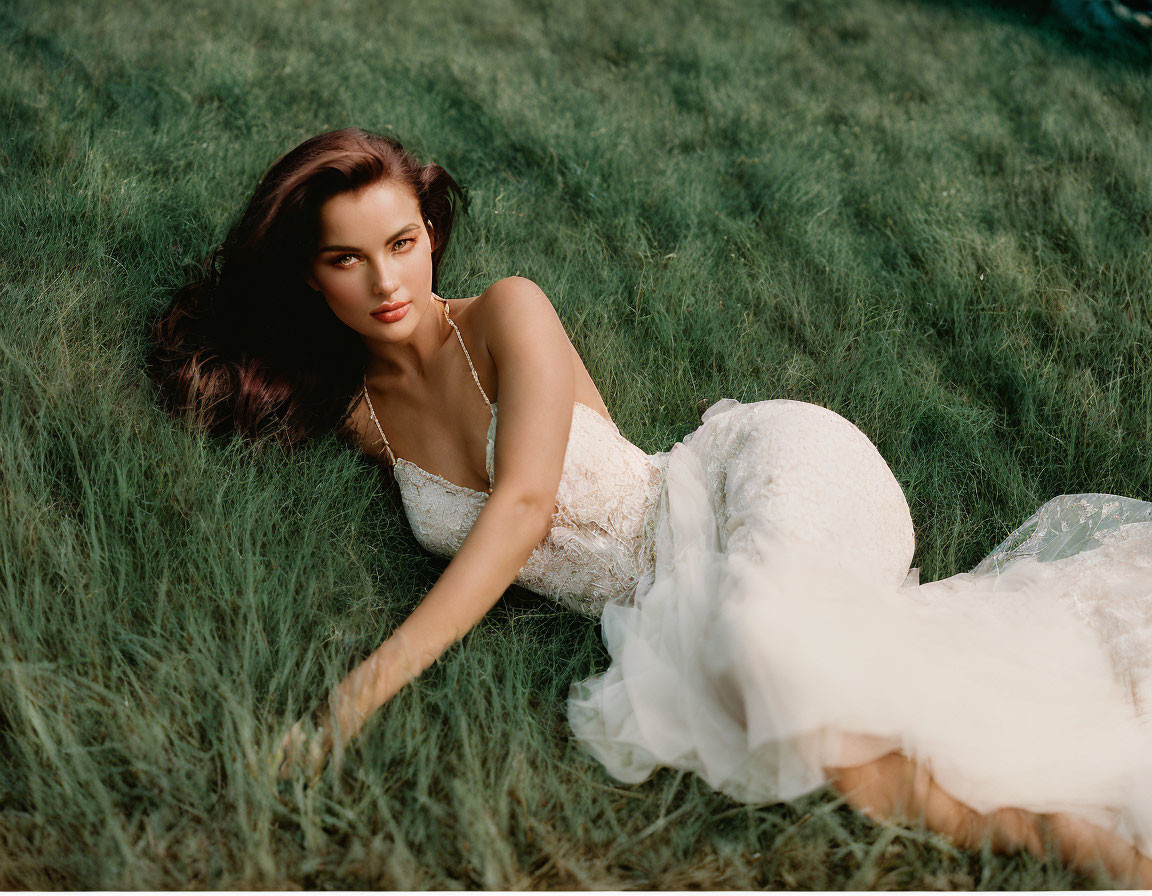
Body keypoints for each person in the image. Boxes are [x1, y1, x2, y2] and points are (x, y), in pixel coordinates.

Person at [149, 127, 1152, 886]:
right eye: (345, 258)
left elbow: (525, 507)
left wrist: (349, 702)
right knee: (802, 712)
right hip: (666, 601)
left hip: (758, 475)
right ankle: (1058, 832)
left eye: (402, 241)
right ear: (310, 275)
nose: (386, 279)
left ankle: (1076, 832)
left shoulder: (508, 311)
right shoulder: (359, 418)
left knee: (768, 648)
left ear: (430, 233)